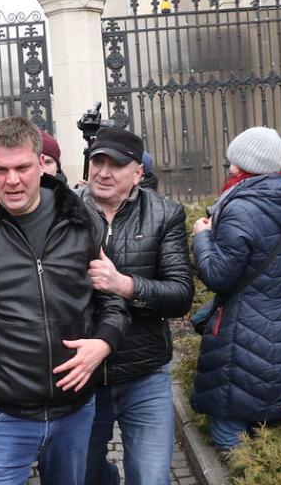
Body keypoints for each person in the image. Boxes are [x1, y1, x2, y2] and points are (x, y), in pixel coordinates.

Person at [0, 117, 129, 485]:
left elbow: (110, 297)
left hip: (75, 411)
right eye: (0, 170)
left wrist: (104, 341)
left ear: (41, 163)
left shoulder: (80, 219)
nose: (12, 180)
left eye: (22, 168)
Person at [78, 128, 193, 485]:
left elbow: (180, 294)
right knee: (83, 472)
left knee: (151, 477)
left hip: (144, 373)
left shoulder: (165, 215)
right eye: (98, 161)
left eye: (117, 164)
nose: (104, 172)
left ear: (138, 173)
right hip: (83, 378)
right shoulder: (64, 212)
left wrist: (124, 285)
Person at [190, 126, 281, 451]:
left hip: (243, 336)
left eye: (232, 160)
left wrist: (201, 236)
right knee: (277, 424)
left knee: (230, 429)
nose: (228, 166)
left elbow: (218, 275)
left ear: (243, 164)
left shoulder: (241, 207)